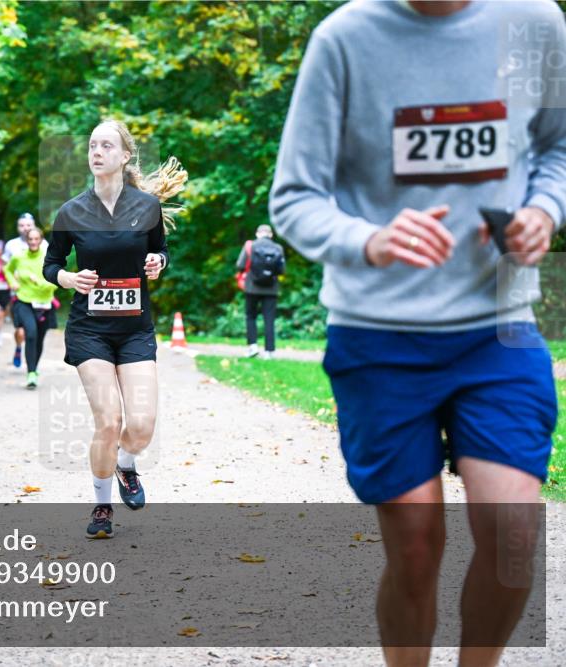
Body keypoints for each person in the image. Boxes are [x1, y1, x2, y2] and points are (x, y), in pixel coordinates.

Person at [269, 1, 564, 664]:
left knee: (514, 532)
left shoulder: (535, 22)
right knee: (415, 546)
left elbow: (556, 147)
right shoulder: (343, 40)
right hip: (379, 337)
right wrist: (367, 238)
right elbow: (293, 196)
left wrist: (544, 210)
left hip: (498, 327)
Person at [44, 119, 186, 538]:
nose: (97, 151)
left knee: (140, 429)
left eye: (106, 145)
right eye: (92, 145)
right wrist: (68, 279)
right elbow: (51, 265)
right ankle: (102, 505)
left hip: (135, 330)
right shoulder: (71, 211)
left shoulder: (146, 207)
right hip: (89, 329)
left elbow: (160, 250)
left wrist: (159, 262)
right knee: (108, 421)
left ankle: (126, 464)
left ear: (124, 156)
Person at [6, 227, 57, 389]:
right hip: (24, 300)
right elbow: (7, 269)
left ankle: (34, 367)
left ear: (41, 240)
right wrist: (12, 282)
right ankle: (31, 372)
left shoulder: (47, 257)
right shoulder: (19, 257)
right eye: (30, 239)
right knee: (31, 334)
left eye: (36, 239)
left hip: (44, 303)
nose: (33, 242)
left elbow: (55, 283)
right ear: (26, 241)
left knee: (40, 338)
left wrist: (39, 283)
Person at [235, 224, 285, 359]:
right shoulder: (278, 248)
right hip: (271, 289)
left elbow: (240, 265)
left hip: (252, 287)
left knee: (251, 316)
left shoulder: (250, 246)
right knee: (269, 319)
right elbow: (282, 270)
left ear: (258, 233)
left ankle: (253, 347)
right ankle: (269, 352)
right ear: (270, 234)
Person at [4, 213, 48, 367]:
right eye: (21, 225)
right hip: (17, 294)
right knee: (21, 331)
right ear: (18, 227)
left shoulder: (44, 245)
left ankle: (30, 362)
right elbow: (6, 268)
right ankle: (18, 346)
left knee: (32, 332)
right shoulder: (11, 245)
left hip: (39, 296)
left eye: (28, 225)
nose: (25, 228)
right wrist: (12, 281)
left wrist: (43, 284)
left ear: (33, 226)